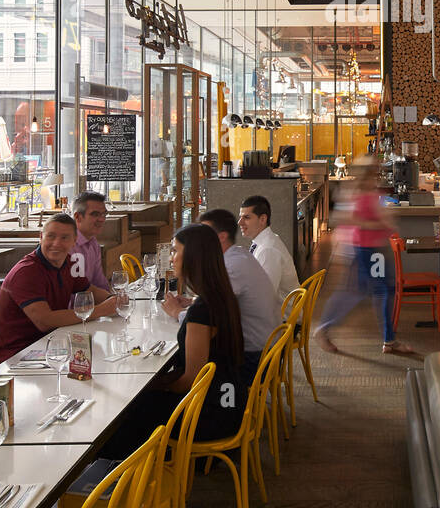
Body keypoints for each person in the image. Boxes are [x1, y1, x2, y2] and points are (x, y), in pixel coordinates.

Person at [106, 224, 247, 455]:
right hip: (230, 400)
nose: (171, 259)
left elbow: (191, 380)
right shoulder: (220, 295)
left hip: (211, 415)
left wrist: (157, 385)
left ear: (192, 257)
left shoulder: (202, 311)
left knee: (126, 415)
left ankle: (129, 481)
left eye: (174, 251)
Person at [314, 157, 416, 356]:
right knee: (377, 292)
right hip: (369, 251)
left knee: (369, 292)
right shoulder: (360, 194)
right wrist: (382, 223)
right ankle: (387, 340)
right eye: (374, 171)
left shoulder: (360, 192)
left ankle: (387, 339)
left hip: (368, 249)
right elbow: (352, 219)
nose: (376, 175)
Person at [0, 213, 118, 361]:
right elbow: (45, 321)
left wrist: (114, 300)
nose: (56, 243)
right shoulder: (26, 272)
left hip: (55, 341)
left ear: (74, 241)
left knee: (108, 354)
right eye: (51, 236)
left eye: (64, 238)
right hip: (21, 354)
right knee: (99, 359)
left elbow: (89, 290)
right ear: (41, 237)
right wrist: (102, 310)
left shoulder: (67, 262)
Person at [197, 207, 280, 383]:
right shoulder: (239, 255)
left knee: (195, 367)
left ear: (221, 237)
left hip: (255, 359)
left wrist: (176, 313)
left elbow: (208, 315)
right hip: (266, 349)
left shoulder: (231, 266)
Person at [238, 195, 300, 303]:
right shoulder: (265, 240)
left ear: (262, 219)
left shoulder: (268, 250)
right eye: (240, 217)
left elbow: (264, 296)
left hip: (281, 315)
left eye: (246, 217)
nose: (240, 222)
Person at [70, 190, 111, 291]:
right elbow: (73, 291)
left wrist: (112, 299)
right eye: (95, 214)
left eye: (104, 214)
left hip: (88, 304)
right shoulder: (67, 245)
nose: (102, 219)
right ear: (78, 217)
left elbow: (100, 282)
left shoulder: (93, 243)